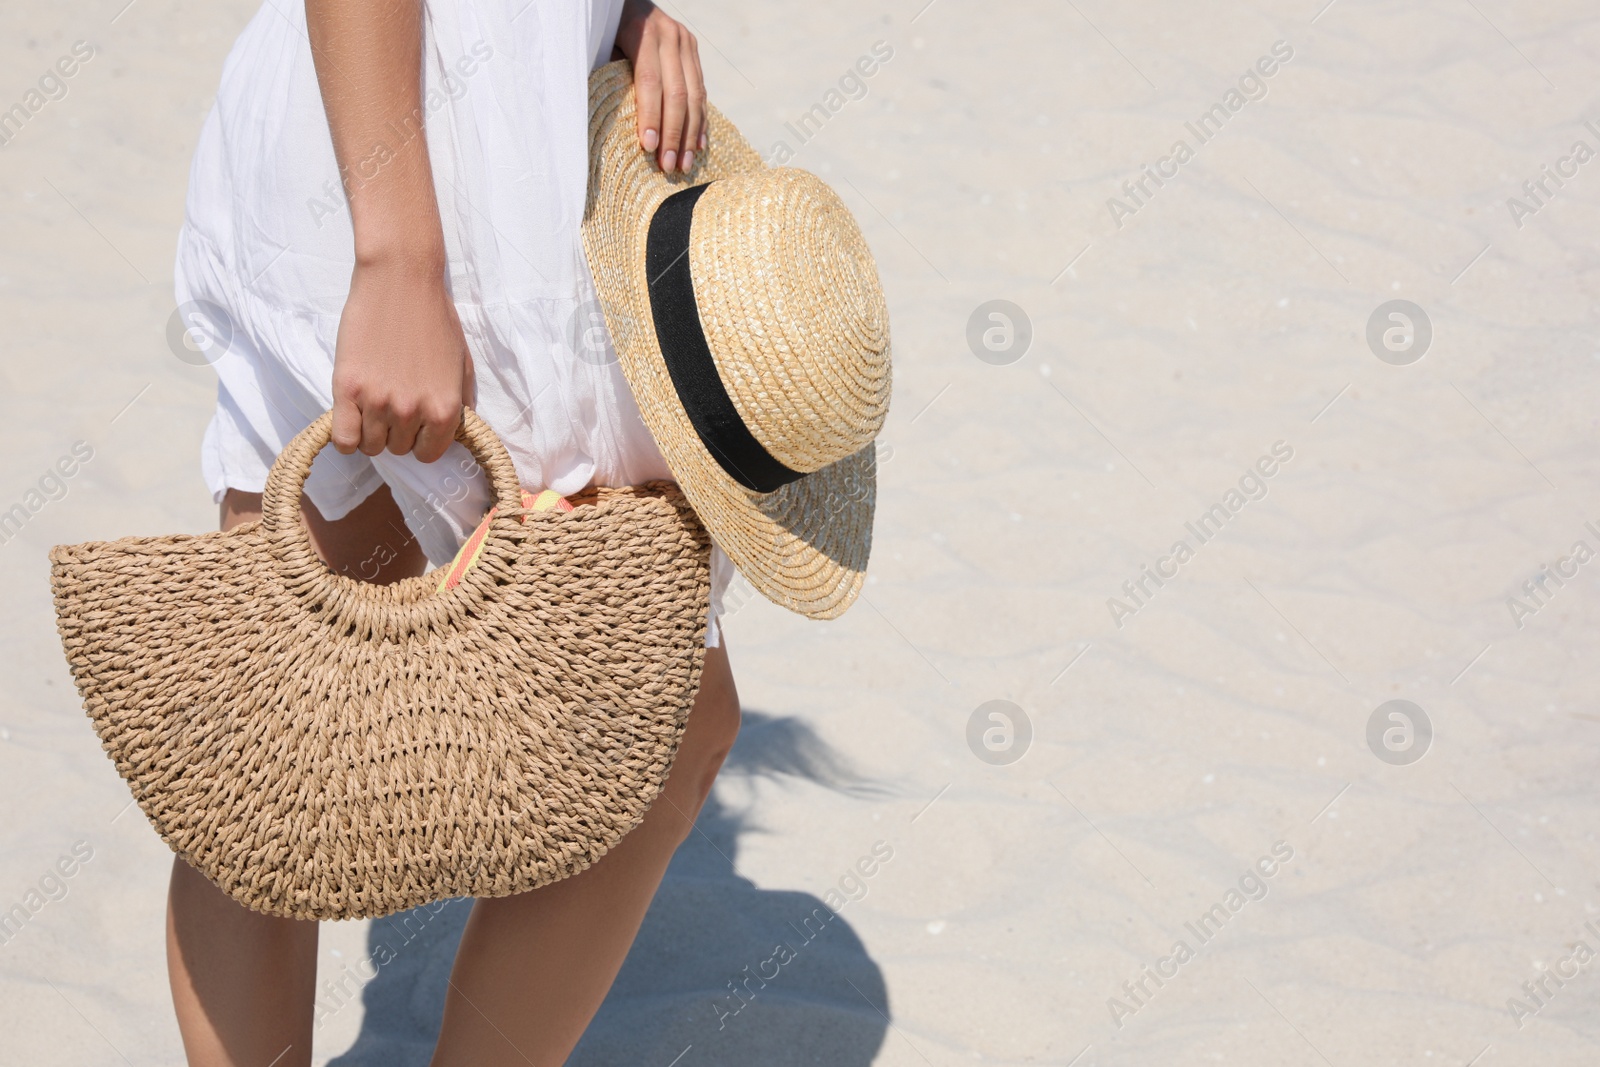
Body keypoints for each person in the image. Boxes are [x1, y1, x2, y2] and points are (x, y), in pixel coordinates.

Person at [166, 1, 742, 1064]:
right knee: (280, 750)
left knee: (280, 732)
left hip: (468, 147)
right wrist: (397, 256)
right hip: (426, 180)